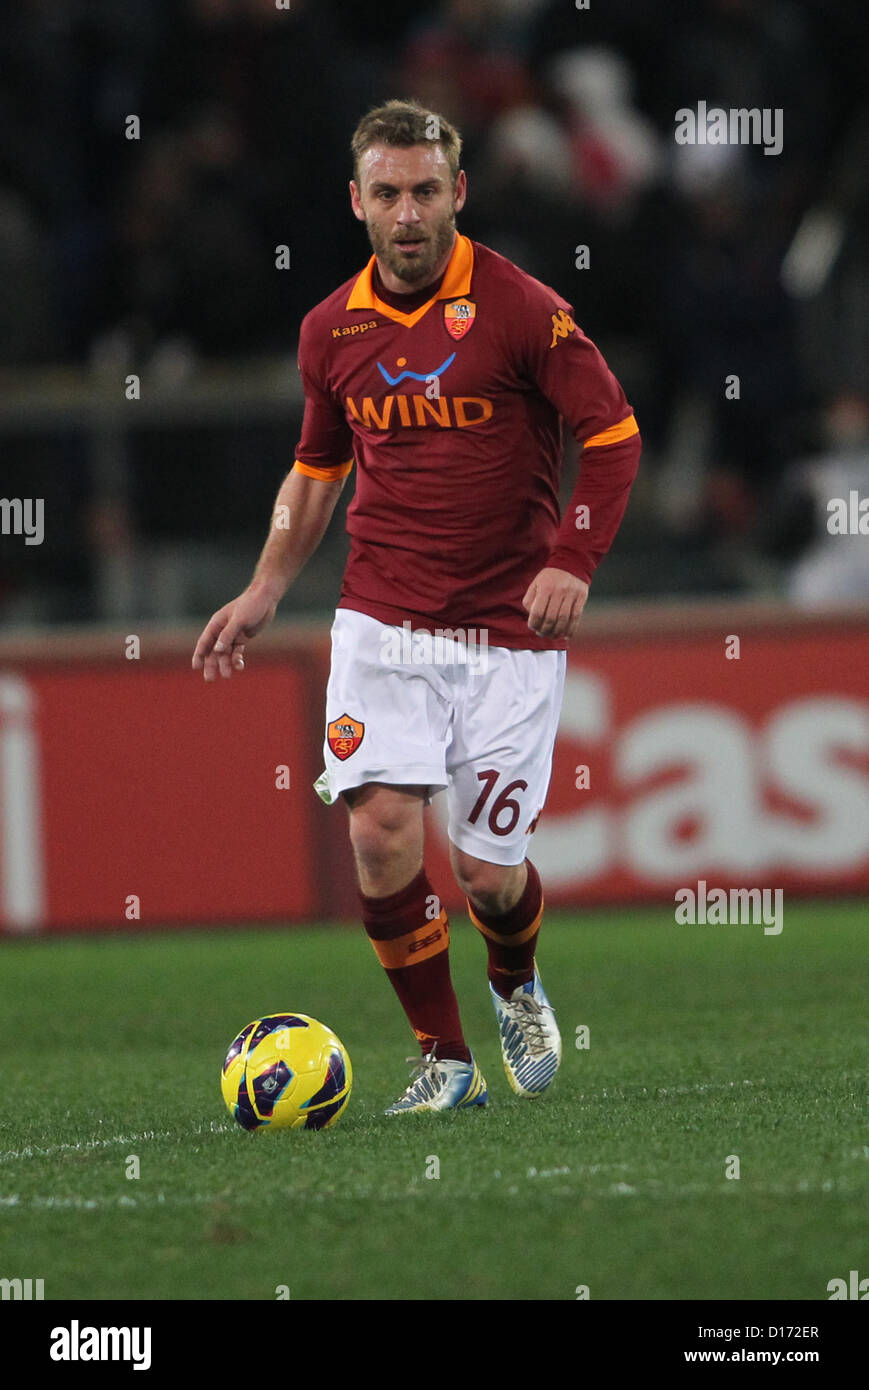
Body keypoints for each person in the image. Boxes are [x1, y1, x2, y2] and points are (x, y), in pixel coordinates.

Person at [193, 99, 641, 1113]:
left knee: (486, 875)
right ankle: (443, 1060)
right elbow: (315, 471)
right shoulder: (329, 330)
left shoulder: (522, 308)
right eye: (387, 193)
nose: (407, 213)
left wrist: (572, 557)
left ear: (458, 193)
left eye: (425, 191)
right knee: (380, 831)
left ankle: (513, 979)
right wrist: (266, 585)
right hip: (381, 617)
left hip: (505, 631)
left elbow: (610, 436)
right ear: (356, 201)